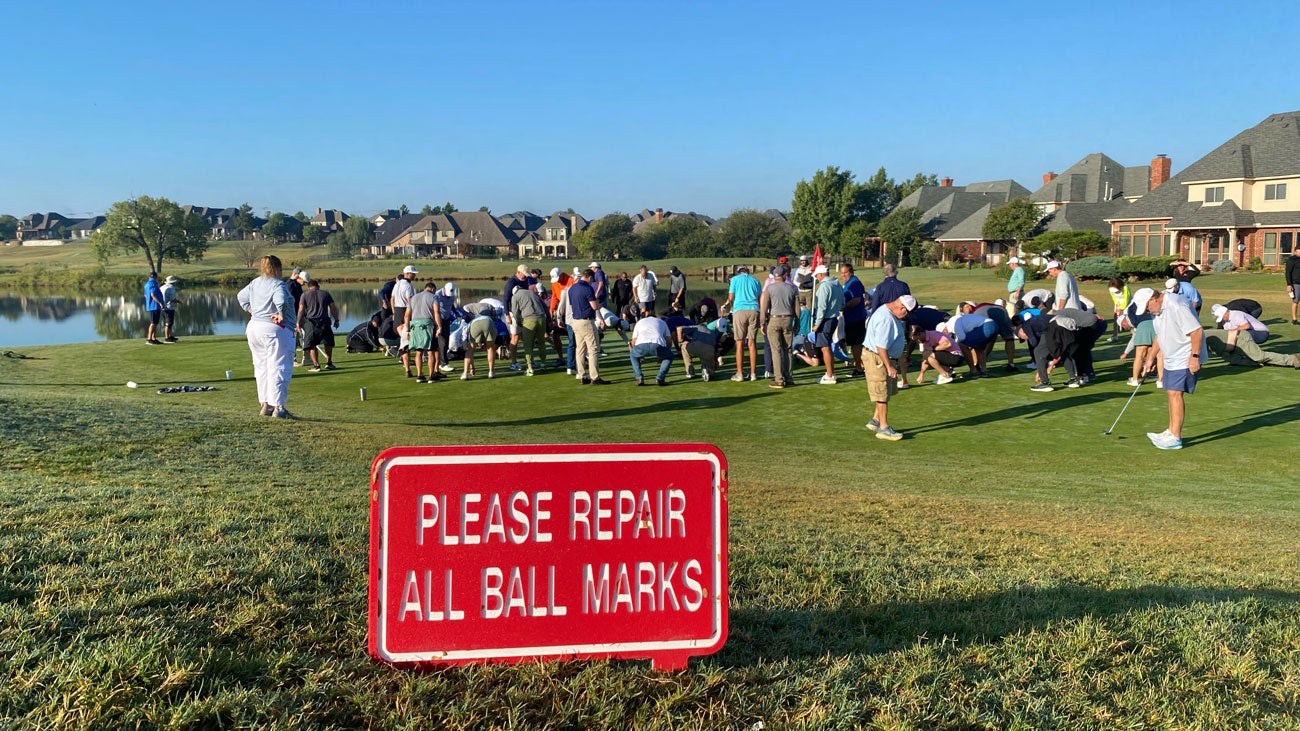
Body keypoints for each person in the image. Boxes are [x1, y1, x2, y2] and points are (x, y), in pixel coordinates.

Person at [1133, 287, 1207, 450]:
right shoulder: (1158, 311)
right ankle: (1171, 430)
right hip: (1171, 356)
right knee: (1170, 392)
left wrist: (1194, 357)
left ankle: (1175, 437)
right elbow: (1160, 335)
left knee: (1175, 393)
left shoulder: (1176, 304)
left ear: (1154, 299)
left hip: (1185, 355)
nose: (1147, 311)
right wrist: (1150, 358)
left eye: (1147, 307)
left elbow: (1196, 331)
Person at [237, 255, 297, 419]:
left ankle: (266, 405)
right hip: (274, 329)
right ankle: (279, 407)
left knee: (262, 367)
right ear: (277, 268)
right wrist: (281, 315)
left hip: (255, 327)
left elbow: (241, 297)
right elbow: (281, 301)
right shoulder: (278, 284)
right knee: (279, 367)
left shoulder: (255, 283)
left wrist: (252, 310)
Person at [863, 294, 917, 441]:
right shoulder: (886, 319)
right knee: (881, 393)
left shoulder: (888, 311)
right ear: (901, 307)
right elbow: (881, 347)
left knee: (886, 390)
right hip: (878, 359)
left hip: (883, 357)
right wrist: (889, 366)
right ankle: (884, 428)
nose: (906, 317)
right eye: (906, 313)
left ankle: (875, 420)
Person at [566, 268, 609, 384]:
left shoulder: (572, 288)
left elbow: (571, 304)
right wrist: (599, 304)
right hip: (587, 321)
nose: (592, 282)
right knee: (593, 349)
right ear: (589, 277)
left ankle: (581, 375)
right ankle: (594, 377)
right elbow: (594, 306)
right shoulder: (587, 288)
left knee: (580, 349)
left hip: (575, 321)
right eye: (592, 280)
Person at [760, 265, 800, 388]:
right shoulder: (792, 288)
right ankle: (788, 377)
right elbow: (797, 309)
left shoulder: (769, 288)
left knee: (775, 350)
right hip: (788, 319)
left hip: (774, 319)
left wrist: (762, 323)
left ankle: (779, 379)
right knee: (787, 349)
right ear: (785, 275)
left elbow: (764, 308)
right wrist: (797, 323)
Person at [723, 265, 763, 382]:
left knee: (739, 342)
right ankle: (753, 374)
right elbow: (760, 297)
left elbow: (731, 297)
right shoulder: (755, 280)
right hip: (754, 310)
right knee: (752, 342)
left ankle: (740, 374)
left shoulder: (735, 279)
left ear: (738, 272)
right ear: (748, 271)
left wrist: (725, 304)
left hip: (740, 310)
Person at [298, 277, 341, 372]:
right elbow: (333, 307)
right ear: (318, 286)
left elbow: (301, 310)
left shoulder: (304, 295)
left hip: (310, 322)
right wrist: (336, 320)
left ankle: (316, 365)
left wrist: (298, 322)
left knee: (311, 344)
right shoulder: (325, 294)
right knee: (328, 342)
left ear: (309, 287)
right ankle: (329, 363)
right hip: (324, 321)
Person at [510, 281, 549, 376]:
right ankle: (543, 364)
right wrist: (550, 320)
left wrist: (519, 321)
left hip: (528, 320)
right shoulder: (532, 292)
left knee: (528, 344)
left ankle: (530, 368)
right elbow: (545, 307)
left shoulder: (515, 296)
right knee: (541, 343)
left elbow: (515, 312)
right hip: (541, 319)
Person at [405, 281, 441, 382]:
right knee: (431, 351)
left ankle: (419, 375)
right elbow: (436, 312)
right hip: (428, 324)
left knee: (419, 351)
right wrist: (439, 326)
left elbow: (407, 315)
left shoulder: (413, 298)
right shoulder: (434, 297)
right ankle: (431, 375)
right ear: (433, 289)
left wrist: (407, 330)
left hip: (415, 326)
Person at [502, 264, 534, 371]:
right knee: (515, 337)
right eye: (524, 275)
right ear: (518, 272)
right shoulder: (511, 283)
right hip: (513, 313)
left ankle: (529, 359)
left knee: (527, 337)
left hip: (523, 313)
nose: (525, 277)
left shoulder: (525, 281)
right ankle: (513, 362)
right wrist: (507, 315)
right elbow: (505, 300)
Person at [838, 263, 868, 378]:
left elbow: (856, 300)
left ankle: (859, 368)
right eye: (842, 273)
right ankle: (859, 366)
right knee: (854, 344)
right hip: (851, 318)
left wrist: (844, 306)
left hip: (856, 317)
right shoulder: (848, 283)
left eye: (845, 272)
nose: (843, 275)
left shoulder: (854, 282)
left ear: (851, 272)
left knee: (856, 344)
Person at [628, 311, 673, 386]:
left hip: (641, 344)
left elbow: (633, 341)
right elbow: (668, 340)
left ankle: (639, 378)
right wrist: (665, 353)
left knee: (633, 355)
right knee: (669, 356)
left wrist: (638, 354)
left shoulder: (640, 322)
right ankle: (660, 378)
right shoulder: (662, 322)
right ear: (655, 316)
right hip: (657, 344)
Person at [392, 265, 418, 376]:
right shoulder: (408, 286)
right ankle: (409, 368)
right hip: (405, 313)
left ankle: (407, 369)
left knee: (404, 342)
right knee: (408, 342)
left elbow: (392, 299)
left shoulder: (397, 284)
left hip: (397, 313)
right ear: (407, 273)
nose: (415, 275)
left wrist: (394, 313)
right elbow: (410, 301)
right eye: (413, 273)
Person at [143, 272, 165, 345]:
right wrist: (160, 303)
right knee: (153, 323)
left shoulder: (146, 284)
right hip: (154, 306)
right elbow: (153, 295)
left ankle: (153, 338)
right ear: (155, 277)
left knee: (155, 323)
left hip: (152, 306)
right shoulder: (153, 284)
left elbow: (145, 295)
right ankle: (149, 339)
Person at [1106, 278, 1130, 343]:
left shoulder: (1125, 287)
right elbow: (1114, 298)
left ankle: (1134, 334)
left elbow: (1126, 298)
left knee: (1128, 319)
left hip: (1128, 303)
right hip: (1118, 303)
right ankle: (1115, 336)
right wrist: (1118, 306)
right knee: (1115, 318)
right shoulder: (1111, 289)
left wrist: (1122, 308)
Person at [160, 275, 180, 342]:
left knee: (167, 322)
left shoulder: (162, 287)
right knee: (169, 323)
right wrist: (178, 301)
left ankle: (169, 336)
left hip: (162, 307)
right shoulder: (171, 288)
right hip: (169, 307)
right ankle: (167, 337)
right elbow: (172, 299)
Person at [1287, 250, 1300, 325]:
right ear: (1295, 252)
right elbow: (1288, 272)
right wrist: (1289, 284)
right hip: (1295, 283)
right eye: (1298, 252)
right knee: (1295, 301)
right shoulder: (1292, 260)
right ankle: (1294, 319)